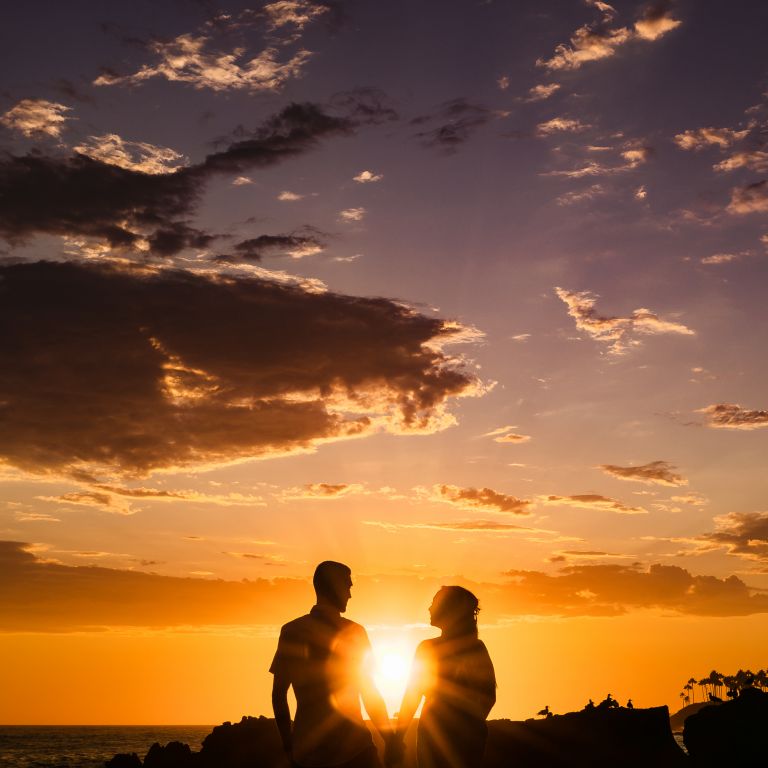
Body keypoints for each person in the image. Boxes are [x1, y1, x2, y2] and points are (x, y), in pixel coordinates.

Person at [270, 561, 393, 768]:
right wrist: (391, 739)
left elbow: (279, 694)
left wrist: (288, 745)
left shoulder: (292, 630)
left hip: (309, 751)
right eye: (347, 586)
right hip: (356, 750)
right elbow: (369, 691)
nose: (350, 595)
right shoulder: (355, 632)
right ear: (333, 587)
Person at [392, 587, 496, 768]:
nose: (429, 608)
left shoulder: (430, 648)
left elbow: (412, 696)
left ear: (449, 609)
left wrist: (397, 738)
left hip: (440, 735)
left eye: (434, 603)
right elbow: (488, 697)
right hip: (446, 735)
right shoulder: (474, 647)